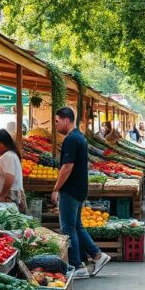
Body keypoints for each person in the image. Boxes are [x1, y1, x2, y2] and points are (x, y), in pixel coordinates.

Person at [51, 107, 111, 278]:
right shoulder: (80, 137)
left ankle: (77, 265)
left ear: (66, 120)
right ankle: (98, 256)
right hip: (79, 189)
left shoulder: (71, 139)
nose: (56, 125)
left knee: (68, 228)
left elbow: (67, 166)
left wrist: (56, 188)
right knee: (77, 226)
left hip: (70, 190)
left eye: (56, 121)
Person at [0, 129, 25, 208]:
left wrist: (2, 195)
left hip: (9, 197)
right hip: (7, 196)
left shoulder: (9, 156)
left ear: (2, 143)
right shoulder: (9, 155)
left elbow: (10, 178)